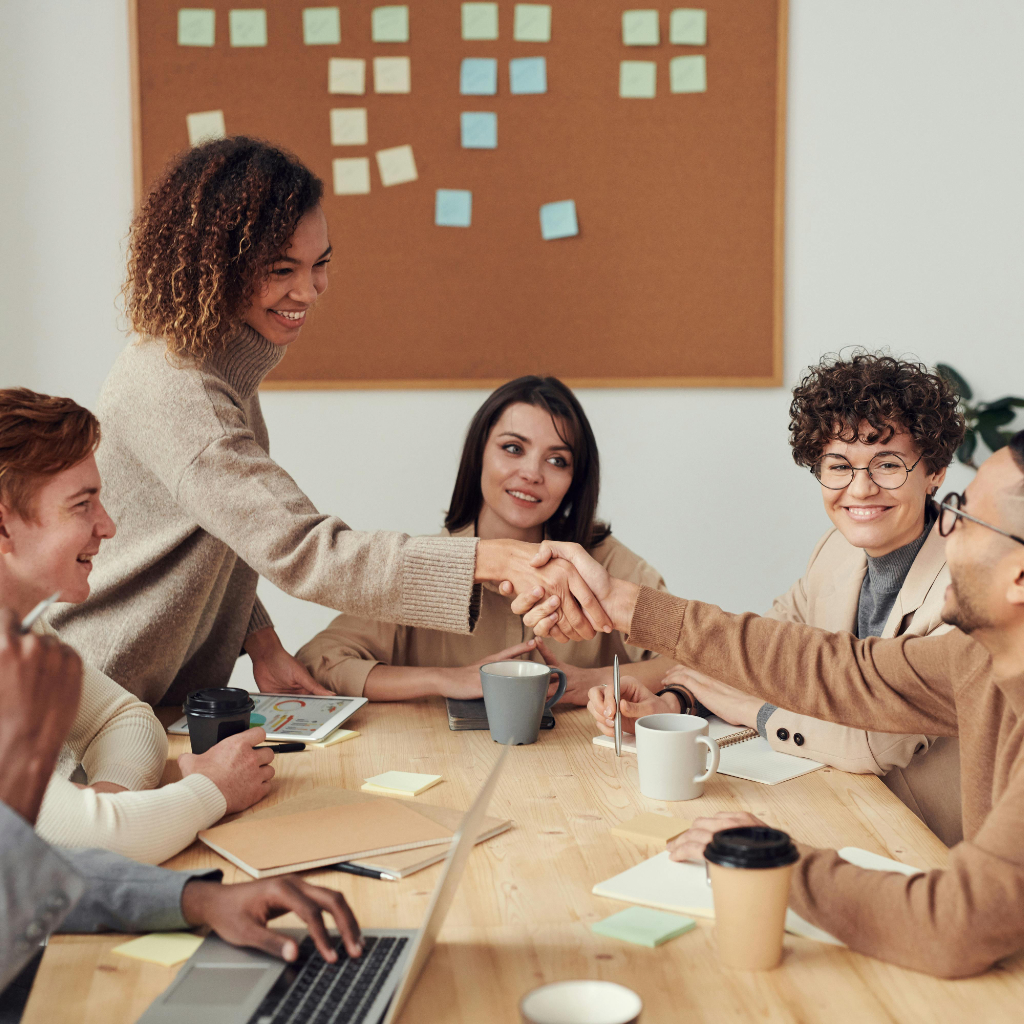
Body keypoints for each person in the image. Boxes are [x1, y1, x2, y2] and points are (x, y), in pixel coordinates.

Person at [47, 137, 608, 708]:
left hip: (151, 699)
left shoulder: (214, 366)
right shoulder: (182, 391)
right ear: (218, 267)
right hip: (94, 698)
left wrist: (259, 640)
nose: (309, 290)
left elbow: (225, 528)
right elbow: (305, 549)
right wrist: (485, 558)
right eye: (282, 268)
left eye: (320, 264)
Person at [519, 431, 1024, 978]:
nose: (946, 531)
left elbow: (955, 926)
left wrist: (775, 858)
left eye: (966, 517)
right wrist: (624, 605)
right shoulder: (977, 659)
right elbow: (835, 668)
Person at [607, 353, 966, 844]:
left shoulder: (969, 582)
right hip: (840, 810)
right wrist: (676, 701)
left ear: (936, 472)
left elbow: (874, 742)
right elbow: (763, 652)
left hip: (930, 845)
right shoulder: (836, 550)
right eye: (839, 466)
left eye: (887, 464)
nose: (859, 489)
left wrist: (754, 712)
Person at [0, 608, 363, 1015]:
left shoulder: (19, 630)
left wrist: (197, 899)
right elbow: (56, 847)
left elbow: (29, 864)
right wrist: (209, 790)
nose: (107, 539)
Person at [0, 388, 272, 863]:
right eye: (82, 505)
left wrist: (109, 807)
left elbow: (123, 718)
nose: (108, 526)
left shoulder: (21, 626)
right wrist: (211, 789)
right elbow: (90, 841)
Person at [295, 377, 673, 705]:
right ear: (478, 455)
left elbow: (697, 660)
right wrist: (447, 679)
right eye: (513, 448)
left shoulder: (607, 564)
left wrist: (593, 681)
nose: (531, 473)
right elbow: (318, 661)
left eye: (557, 460)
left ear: (575, 480)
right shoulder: (424, 566)